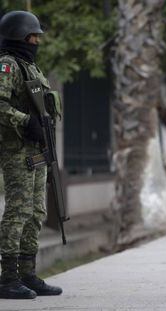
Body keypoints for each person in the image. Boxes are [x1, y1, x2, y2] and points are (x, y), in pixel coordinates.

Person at [0, 11, 62, 299]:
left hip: (37, 149)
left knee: (36, 212)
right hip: (17, 151)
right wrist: (25, 122)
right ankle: (7, 278)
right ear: (18, 36)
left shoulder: (31, 67)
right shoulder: (7, 66)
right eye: (32, 36)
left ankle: (27, 274)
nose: (37, 41)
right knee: (18, 212)